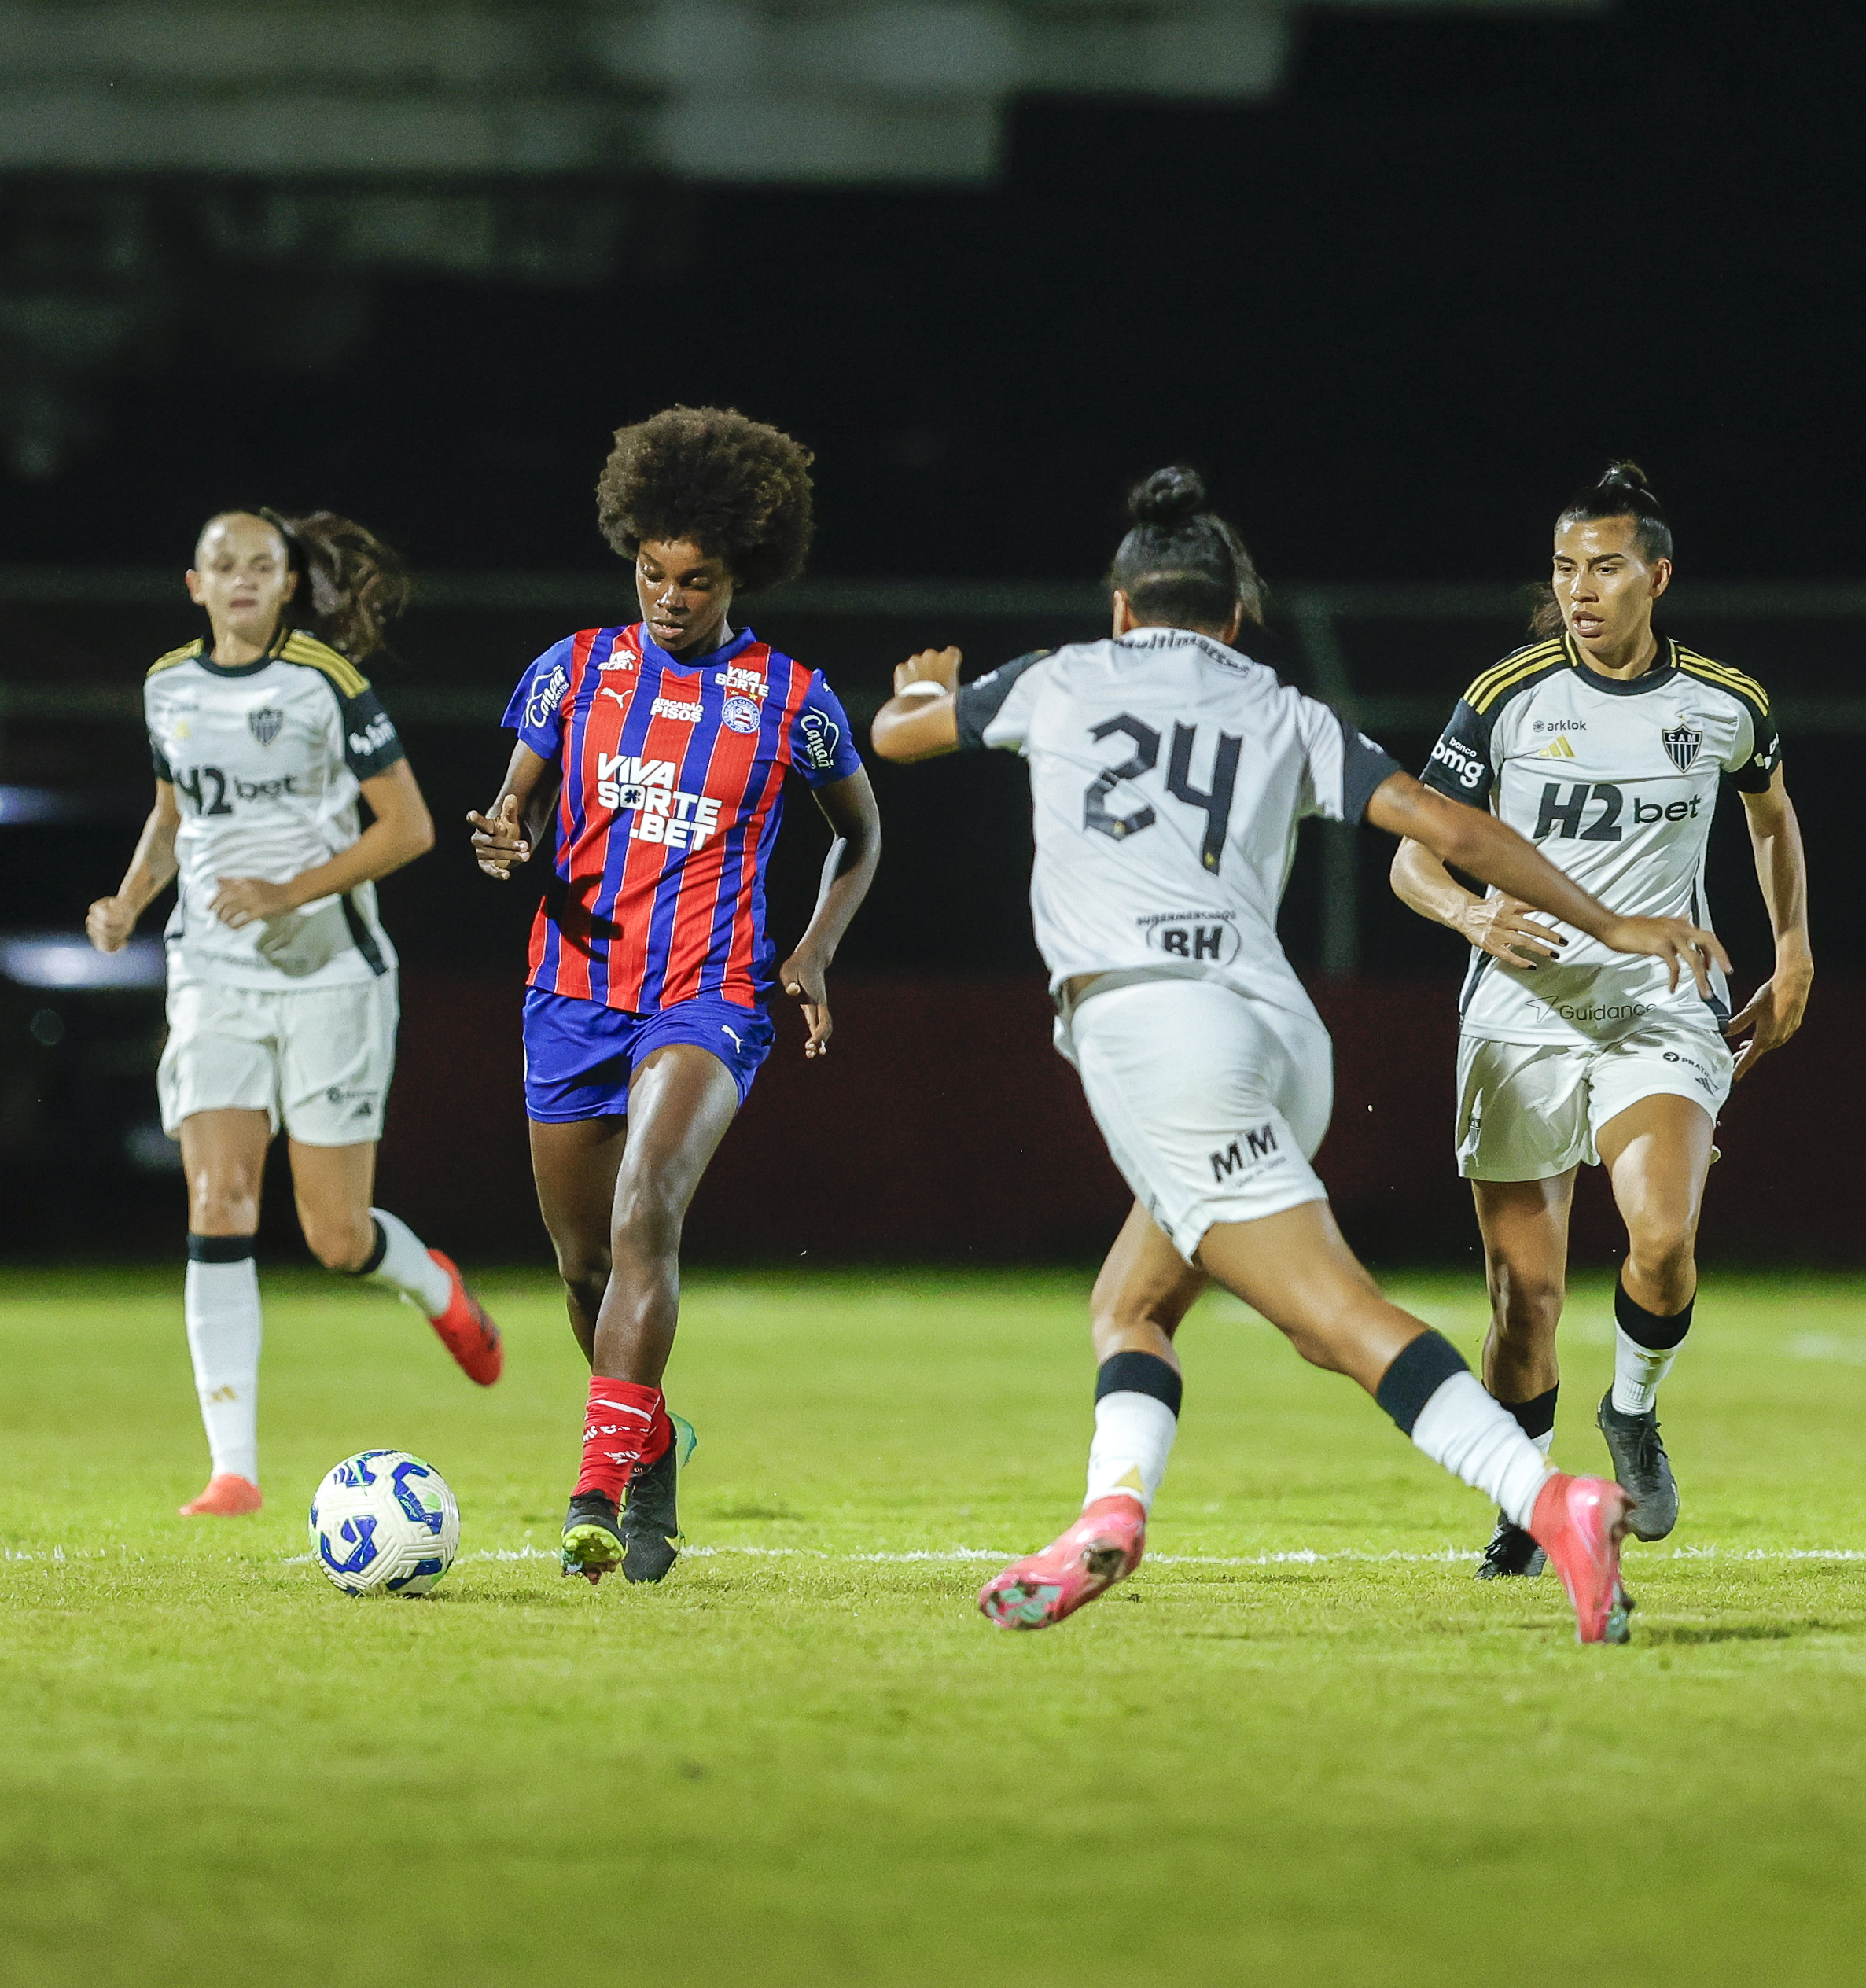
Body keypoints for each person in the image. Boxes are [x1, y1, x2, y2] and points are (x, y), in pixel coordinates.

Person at [871, 466, 1732, 1647]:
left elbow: (898, 736)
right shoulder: (1286, 707)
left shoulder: (1061, 677)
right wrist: (1615, 921)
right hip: (1280, 1036)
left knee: (1333, 1319)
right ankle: (1107, 1513)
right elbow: (1454, 828)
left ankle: (1551, 1497)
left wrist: (925, 688)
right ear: (1232, 620)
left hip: (1161, 1033)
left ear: (1123, 609)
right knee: (1130, 1304)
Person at [469, 405, 881, 1587]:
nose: (668, 597)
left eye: (694, 580)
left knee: (648, 1206)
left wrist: (809, 950)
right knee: (583, 1268)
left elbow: (859, 838)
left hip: (710, 999)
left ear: (740, 572)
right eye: (651, 573)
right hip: (572, 995)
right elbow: (518, 810)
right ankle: (649, 1447)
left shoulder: (791, 700)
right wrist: (505, 837)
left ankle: (597, 1492)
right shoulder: (571, 671)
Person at [1390, 462, 1811, 1576]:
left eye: (1605, 567)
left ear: (1656, 576)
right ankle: (1525, 1508)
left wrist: (1794, 947)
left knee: (1662, 1237)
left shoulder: (1724, 702)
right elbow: (1409, 859)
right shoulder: (1506, 694)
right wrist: (1473, 916)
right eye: (1565, 568)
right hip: (1520, 1014)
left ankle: (1631, 1414)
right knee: (1522, 1300)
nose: (1581, 589)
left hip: (1659, 1004)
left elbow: (1770, 816)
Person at [86, 509, 503, 1518]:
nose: (240, 580)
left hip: (331, 975)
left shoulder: (324, 679)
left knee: (333, 1235)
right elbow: (173, 811)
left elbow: (409, 826)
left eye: (260, 566)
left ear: (286, 584)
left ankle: (434, 1285)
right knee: (219, 1201)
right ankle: (233, 1469)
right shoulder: (167, 684)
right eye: (222, 565)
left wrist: (290, 890)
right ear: (195, 583)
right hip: (213, 974)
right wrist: (131, 900)